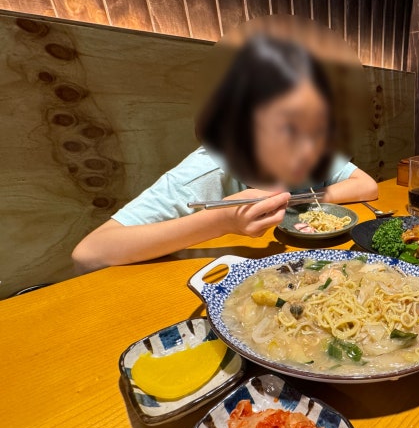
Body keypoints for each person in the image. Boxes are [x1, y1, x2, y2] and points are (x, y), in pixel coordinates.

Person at [72, 35, 378, 273]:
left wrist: (298, 201)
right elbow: (89, 253)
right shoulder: (208, 171)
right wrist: (222, 221)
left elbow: (366, 186)